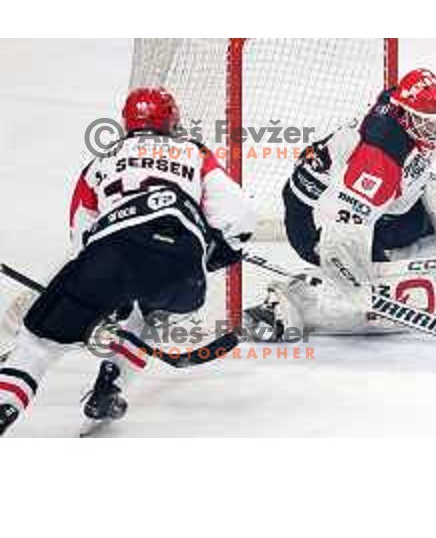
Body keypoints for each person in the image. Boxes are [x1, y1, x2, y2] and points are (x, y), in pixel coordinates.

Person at [0, 87, 256, 436]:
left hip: (113, 253)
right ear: (172, 120)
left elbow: (81, 233)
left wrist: (102, 296)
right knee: (150, 318)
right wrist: (220, 252)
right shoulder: (195, 152)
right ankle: (110, 385)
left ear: (126, 122)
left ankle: (6, 403)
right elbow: (239, 215)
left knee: (39, 341)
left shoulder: (103, 159)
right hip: (182, 270)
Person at [246, 68, 436, 336]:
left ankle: (377, 259)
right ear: (405, 114)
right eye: (426, 121)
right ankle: (286, 305)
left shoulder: (401, 113)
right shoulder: (378, 160)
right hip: (315, 217)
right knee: (351, 300)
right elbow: (343, 227)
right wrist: (361, 281)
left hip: (362, 197)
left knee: (418, 217)